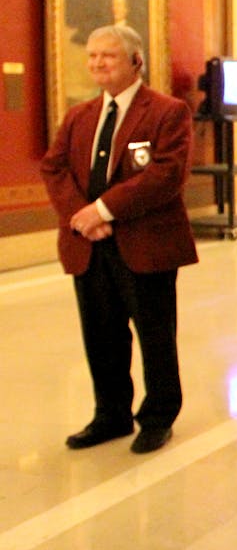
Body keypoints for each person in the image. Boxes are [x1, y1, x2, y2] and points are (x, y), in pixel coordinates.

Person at [39, 24, 197, 455]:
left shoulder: (167, 112)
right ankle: (110, 415)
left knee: (154, 335)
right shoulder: (79, 116)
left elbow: (166, 174)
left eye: (107, 55)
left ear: (135, 61)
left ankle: (158, 415)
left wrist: (103, 210)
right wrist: (82, 216)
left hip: (146, 245)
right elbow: (53, 168)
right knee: (101, 335)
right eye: (91, 56)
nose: (97, 63)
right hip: (88, 246)